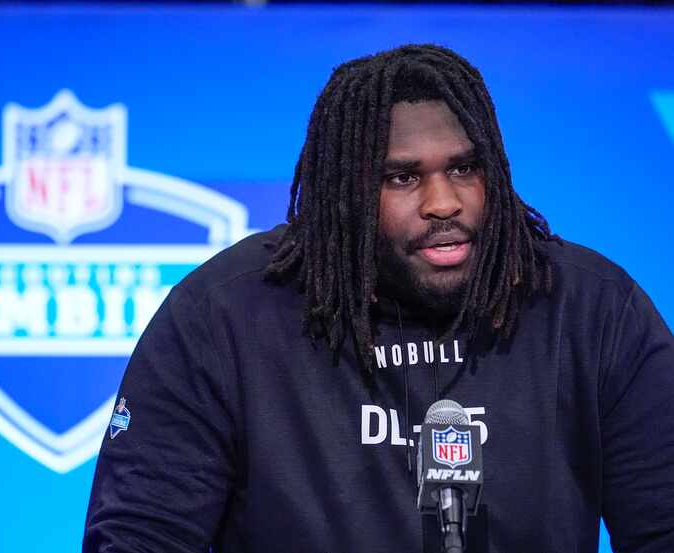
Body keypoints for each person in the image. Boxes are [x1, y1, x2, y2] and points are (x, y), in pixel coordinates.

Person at [83, 44, 674, 553]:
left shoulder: (591, 309)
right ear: (343, 193)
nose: (444, 202)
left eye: (465, 169)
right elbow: (142, 533)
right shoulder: (225, 317)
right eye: (403, 178)